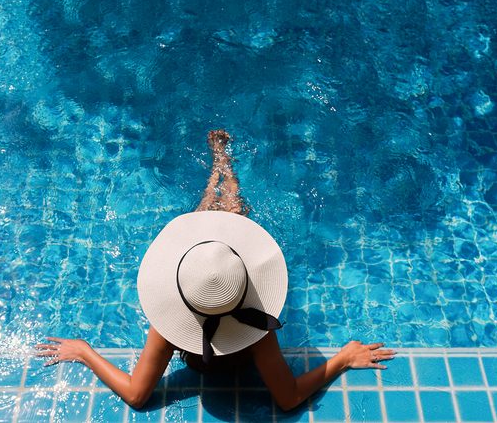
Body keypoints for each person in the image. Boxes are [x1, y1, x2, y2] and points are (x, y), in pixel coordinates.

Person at [36, 130, 395, 411]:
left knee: (207, 239)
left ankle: (218, 170)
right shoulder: (257, 323)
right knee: (225, 232)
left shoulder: (167, 329)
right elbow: (288, 399)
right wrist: (343, 358)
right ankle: (224, 166)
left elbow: (136, 395)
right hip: (233, 300)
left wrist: (85, 352)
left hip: (204, 298)